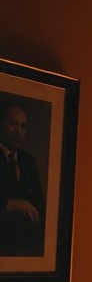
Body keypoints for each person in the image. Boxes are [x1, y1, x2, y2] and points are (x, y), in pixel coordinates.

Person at [0, 100, 45, 256]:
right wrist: (9, 204)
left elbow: (39, 203)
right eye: (13, 124)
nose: (18, 132)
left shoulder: (28, 160)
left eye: (23, 126)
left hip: (23, 247)